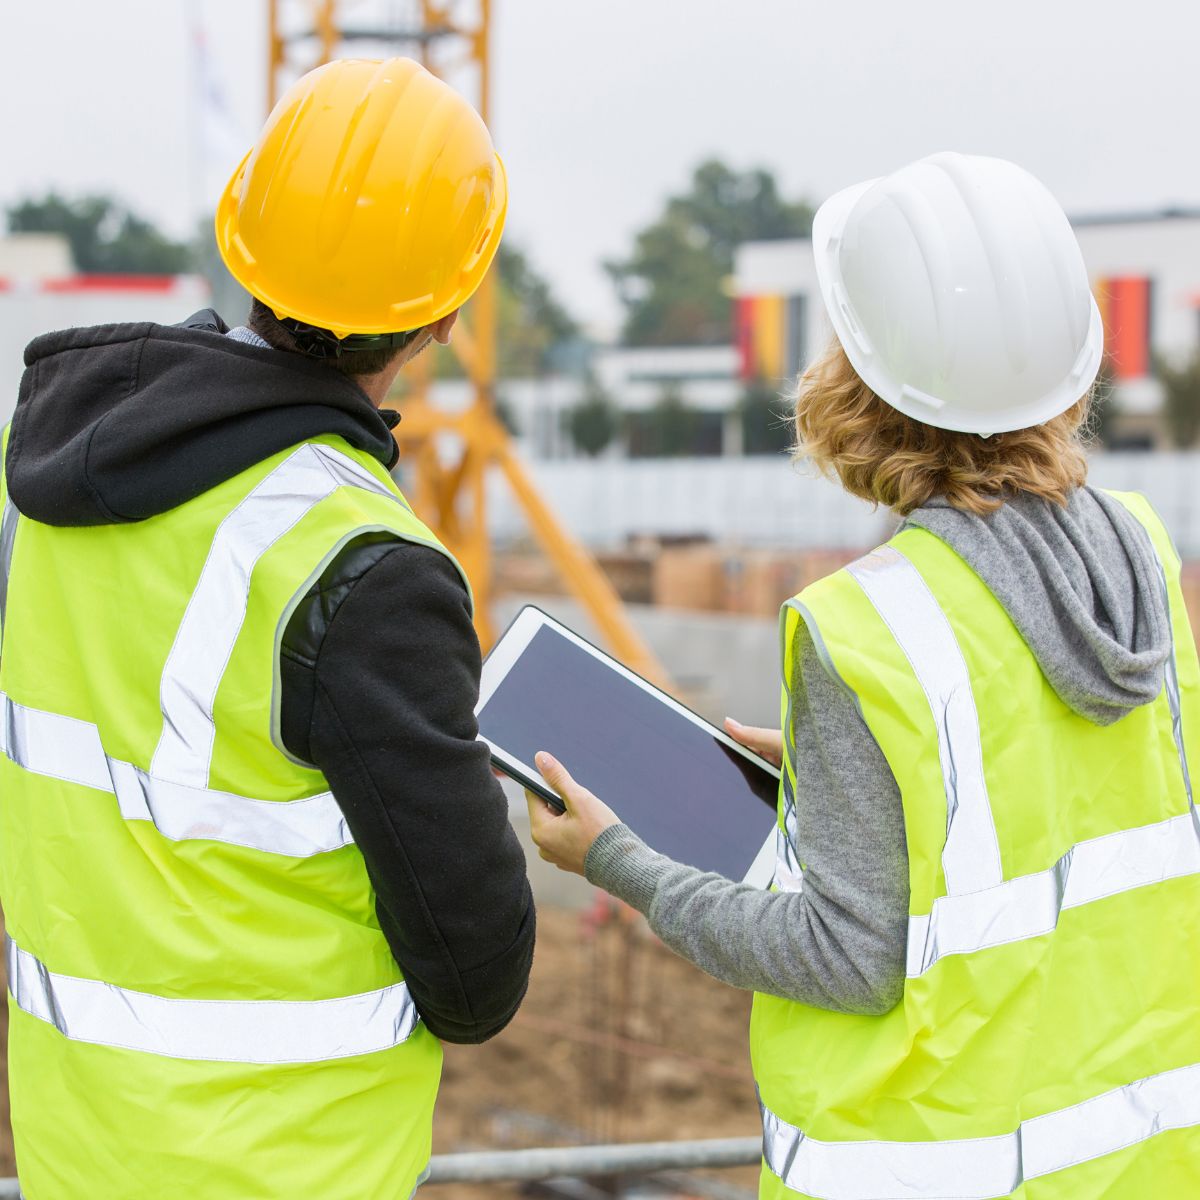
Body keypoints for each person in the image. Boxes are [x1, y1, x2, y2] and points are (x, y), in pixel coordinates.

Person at [528, 152, 1200, 1198]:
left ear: (862, 384)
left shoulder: (870, 626)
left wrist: (620, 862)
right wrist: (853, 776)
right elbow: (1056, 797)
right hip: (1131, 1164)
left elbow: (848, 957)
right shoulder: (1139, 561)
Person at [0, 58, 533, 1198]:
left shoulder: (44, 495)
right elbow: (476, 977)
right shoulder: (364, 566)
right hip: (287, 1165)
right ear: (446, 310)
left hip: (77, 1152)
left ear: (243, 241)